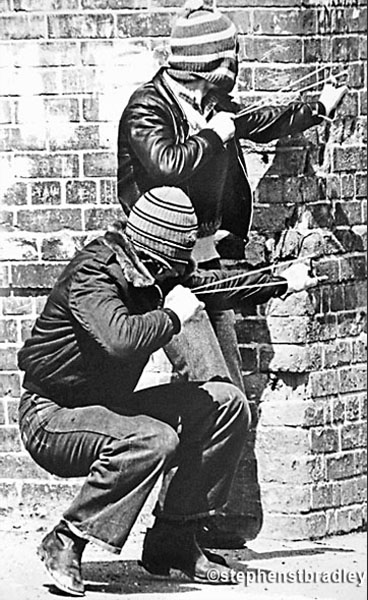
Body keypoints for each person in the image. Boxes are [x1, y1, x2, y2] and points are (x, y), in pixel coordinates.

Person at [116, 0, 347, 547]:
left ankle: (183, 536)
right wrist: (216, 135)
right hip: (160, 274)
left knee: (224, 397)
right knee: (213, 394)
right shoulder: (147, 108)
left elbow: (259, 119)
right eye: (229, 62)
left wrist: (315, 106)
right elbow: (168, 165)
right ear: (209, 65)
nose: (233, 77)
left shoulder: (207, 102)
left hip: (204, 264)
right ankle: (172, 538)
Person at [17, 186, 318, 596]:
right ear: (154, 254)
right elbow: (119, 339)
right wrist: (173, 314)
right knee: (154, 439)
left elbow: (215, 285)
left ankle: (173, 538)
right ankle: (66, 540)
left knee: (227, 405)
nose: (178, 275)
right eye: (173, 266)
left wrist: (281, 281)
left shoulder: (157, 267)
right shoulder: (94, 273)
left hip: (110, 410)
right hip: (51, 417)